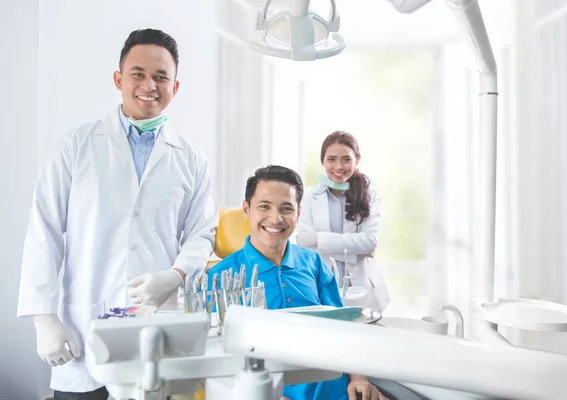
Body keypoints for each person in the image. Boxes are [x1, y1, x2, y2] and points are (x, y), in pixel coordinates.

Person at [17, 29, 218, 400]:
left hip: (156, 326)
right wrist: (43, 318)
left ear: (175, 87)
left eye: (161, 77)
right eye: (138, 74)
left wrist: (175, 276)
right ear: (118, 79)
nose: (149, 86)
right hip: (83, 327)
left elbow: (202, 232)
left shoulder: (191, 158)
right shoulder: (77, 146)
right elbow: (43, 229)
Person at [207, 165, 388, 400]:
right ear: (246, 209)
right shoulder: (220, 277)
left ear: (298, 213)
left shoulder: (313, 263)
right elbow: (215, 362)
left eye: (286, 208)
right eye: (264, 206)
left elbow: (344, 327)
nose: (276, 218)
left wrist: (359, 378)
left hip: (337, 391)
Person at [296, 131, 390, 312]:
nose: (339, 166)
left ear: (357, 160)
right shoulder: (307, 196)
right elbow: (303, 241)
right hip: (321, 285)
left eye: (346, 159)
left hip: (364, 290)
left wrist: (319, 240)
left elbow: (370, 243)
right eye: (331, 159)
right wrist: (353, 246)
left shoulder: (370, 194)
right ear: (322, 161)